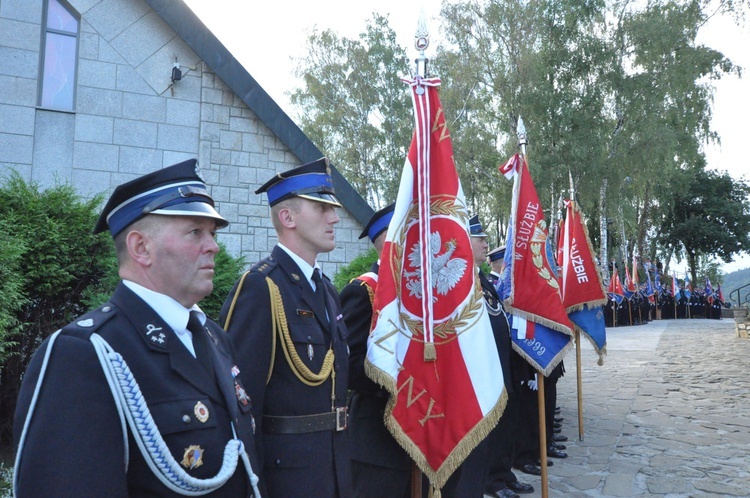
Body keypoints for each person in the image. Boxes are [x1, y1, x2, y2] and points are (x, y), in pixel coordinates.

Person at [13, 159, 262, 497]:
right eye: (195, 232)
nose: (213, 246)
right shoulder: (85, 352)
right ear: (141, 248)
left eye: (212, 234)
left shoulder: (214, 338)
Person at [219, 158, 352, 498]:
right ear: (287, 217)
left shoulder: (326, 290)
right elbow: (241, 404)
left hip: (334, 470)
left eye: (332, 208)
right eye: (322, 207)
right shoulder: (260, 287)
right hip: (287, 479)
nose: (334, 217)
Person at [339, 203, 413, 498]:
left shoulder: (417, 296)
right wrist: (401, 384)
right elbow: (349, 365)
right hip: (376, 440)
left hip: (419, 431)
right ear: (388, 240)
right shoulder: (363, 291)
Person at [476, 236, 534, 498]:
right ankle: (493, 480)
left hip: (502, 365)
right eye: (479, 239)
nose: (485, 245)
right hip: (484, 369)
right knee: (493, 428)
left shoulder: (484, 281)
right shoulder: (466, 280)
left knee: (507, 424)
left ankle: (504, 473)